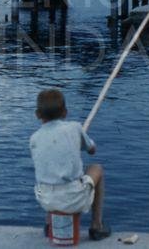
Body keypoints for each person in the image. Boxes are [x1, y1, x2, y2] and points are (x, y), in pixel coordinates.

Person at [29, 89, 111, 241]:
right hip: (73, 198)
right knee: (96, 168)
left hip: (45, 199)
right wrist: (80, 141)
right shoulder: (75, 128)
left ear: (37, 114)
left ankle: (49, 224)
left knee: (50, 172)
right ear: (65, 112)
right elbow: (92, 150)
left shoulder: (34, 138)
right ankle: (96, 225)